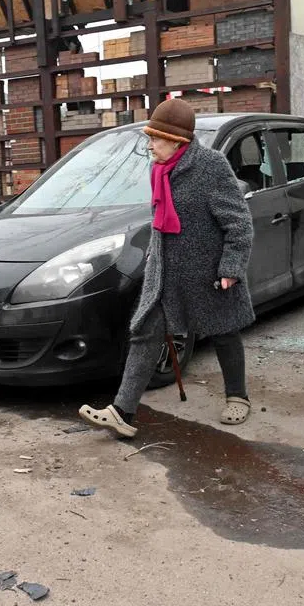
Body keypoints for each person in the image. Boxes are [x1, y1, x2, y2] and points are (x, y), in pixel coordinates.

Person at [79, 99, 255, 438]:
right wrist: (153, 258)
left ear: (177, 140)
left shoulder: (210, 166)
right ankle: (122, 412)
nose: (149, 146)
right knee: (145, 332)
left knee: (223, 331)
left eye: (155, 139)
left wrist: (231, 267)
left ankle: (238, 396)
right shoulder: (159, 169)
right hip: (166, 273)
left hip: (209, 273)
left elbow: (239, 223)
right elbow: (161, 223)